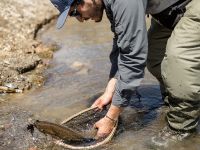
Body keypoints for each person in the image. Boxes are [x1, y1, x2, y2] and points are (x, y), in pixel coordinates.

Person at [50, 0, 200, 147]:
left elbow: (133, 59)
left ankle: (181, 129)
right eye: (72, 15)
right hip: (169, 12)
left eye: (75, 12)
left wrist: (110, 117)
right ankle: (174, 104)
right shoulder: (109, 3)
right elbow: (122, 42)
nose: (80, 20)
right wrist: (111, 86)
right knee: (155, 55)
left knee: (178, 60)